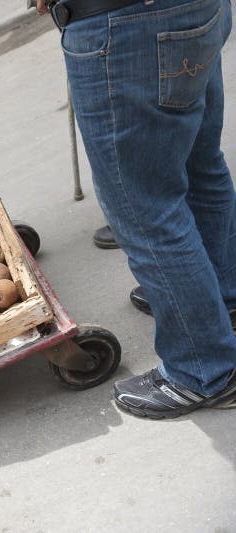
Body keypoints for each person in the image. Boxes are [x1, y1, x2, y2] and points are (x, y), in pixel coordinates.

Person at [36, 0, 236, 418]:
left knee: (144, 208)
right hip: (192, 10)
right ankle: (218, 300)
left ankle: (204, 370)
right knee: (200, 165)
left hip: (125, 24)